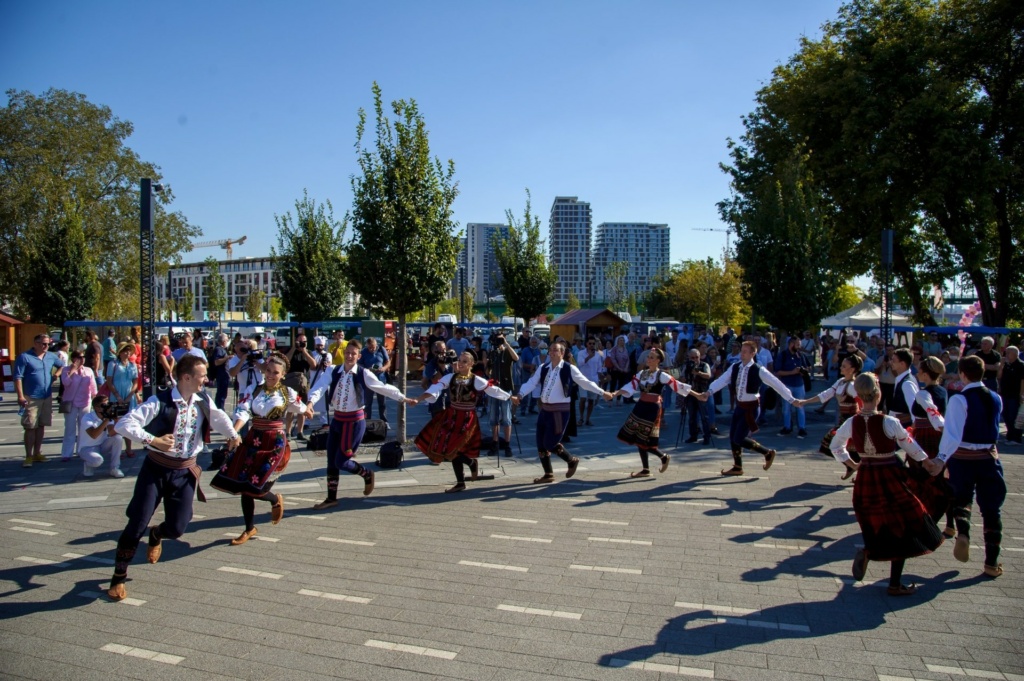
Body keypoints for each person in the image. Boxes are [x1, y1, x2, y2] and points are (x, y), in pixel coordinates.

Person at [107, 354, 242, 601]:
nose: (207, 380)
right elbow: (123, 425)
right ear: (187, 377)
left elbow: (219, 417)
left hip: (185, 472)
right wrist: (153, 440)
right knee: (137, 522)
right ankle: (118, 577)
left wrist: (233, 434)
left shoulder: (202, 399)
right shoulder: (159, 402)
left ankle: (157, 534)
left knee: (178, 527)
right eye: (202, 376)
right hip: (156, 469)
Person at [830, 373, 943, 596]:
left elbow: (836, 446)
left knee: (876, 520)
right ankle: (893, 582)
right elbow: (910, 445)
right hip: (890, 474)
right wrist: (927, 462)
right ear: (878, 394)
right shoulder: (889, 422)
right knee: (904, 522)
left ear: (860, 397)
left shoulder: (851, 423)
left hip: (866, 476)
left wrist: (852, 464)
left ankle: (871, 552)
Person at [213, 352, 310, 545]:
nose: (271, 375)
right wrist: (235, 433)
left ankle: (274, 499)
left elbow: (300, 407)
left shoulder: (287, 393)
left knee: (257, 486)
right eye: (268, 371)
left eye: (275, 372)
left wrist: (307, 409)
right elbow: (243, 410)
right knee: (243, 485)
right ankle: (249, 528)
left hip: (274, 443)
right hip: (254, 439)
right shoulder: (253, 390)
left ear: (283, 375)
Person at [306, 340, 414, 509]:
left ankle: (366, 474)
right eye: (347, 352)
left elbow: (382, 387)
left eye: (353, 353)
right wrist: (310, 402)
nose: (349, 356)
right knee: (331, 461)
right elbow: (320, 386)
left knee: (342, 461)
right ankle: (331, 498)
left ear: (359, 356)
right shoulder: (333, 370)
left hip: (354, 422)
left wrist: (403, 398)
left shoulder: (363, 373)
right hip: (337, 421)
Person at [924, 355, 1006, 578]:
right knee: (992, 508)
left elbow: (952, 434)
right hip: (988, 457)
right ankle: (991, 562)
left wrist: (941, 458)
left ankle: (964, 533)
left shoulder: (960, 399)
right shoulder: (996, 398)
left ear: (961, 374)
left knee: (962, 498)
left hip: (963, 457)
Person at [510, 340, 613, 484]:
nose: (551, 352)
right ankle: (548, 474)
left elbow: (585, 382)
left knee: (550, 442)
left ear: (562, 353)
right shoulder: (543, 367)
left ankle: (571, 460)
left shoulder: (568, 368)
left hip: (559, 411)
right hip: (545, 409)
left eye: (555, 350)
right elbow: (532, 382)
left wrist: (602, 392)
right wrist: (520, 394)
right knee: (540, 443)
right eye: (550, 350)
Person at [411, 351, 512, 492]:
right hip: (451, 416)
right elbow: (435, 388)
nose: (460, 363)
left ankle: (467, 469)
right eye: (459, 360)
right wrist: (418, 399)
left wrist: (509, 397)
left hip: (467, 418)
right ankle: (463, 478)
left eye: (464, 361)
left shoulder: (476, 380)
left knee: (455, 449)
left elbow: (493, 390)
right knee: (448, 447)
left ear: (471, 364)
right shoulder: (450, 377)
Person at [700, 340, 797, 476]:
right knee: (733, 436)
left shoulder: (758, 369)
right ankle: (737, 466)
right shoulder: (735, 367)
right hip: (740, 407)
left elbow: (776, 383)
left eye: (745, 351)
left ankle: (767, 453)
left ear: (753, 353)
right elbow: (722, 380)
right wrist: (709, 392)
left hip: (751, 408)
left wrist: (791, 399)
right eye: (742, 351)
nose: (742, 354)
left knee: (739, 438)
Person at [614, 347, 700, 477]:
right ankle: (647, 468)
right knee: (638, 436)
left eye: (652, 357)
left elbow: (677, 385)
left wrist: (697, 395)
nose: (648, 359)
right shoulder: (642, 373)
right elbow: (631, 385)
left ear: (659, 360)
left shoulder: (662, 375)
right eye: (648, 357)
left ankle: (661, 457)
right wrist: (615, 393)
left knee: (643, 437)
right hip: (641, 405)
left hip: (652, 408)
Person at [798, 355, 863, 470]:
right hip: (843, 420)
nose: (841, 368)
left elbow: (862, 403)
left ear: (852, 369)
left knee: (838, 445)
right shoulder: (840, 382)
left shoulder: (853, 386)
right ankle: (853, 467)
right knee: (834, 445)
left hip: (852, 421)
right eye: (841, 365)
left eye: (844, 366)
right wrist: (806, 401)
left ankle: (855, 467)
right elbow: (825, 394)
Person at [14, 333, 66, 467]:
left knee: (42, 425)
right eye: (44, 344)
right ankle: (28, 456)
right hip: (31, 396)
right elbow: (18, 377)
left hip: (46, 395)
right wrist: (20, 396)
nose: (46, 346)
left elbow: (62, 365)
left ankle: (37, 452)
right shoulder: (25, 357)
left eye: (48, 344)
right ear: (35, 343)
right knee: (30, 426)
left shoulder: (50, 356)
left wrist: (56, 375)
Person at [60, 351, 98, 462]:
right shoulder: (65, 370)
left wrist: (95, 398)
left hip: (85, 402)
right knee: (70, 429)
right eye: (79, 357)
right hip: (70, 403)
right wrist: (72, 371)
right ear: (73, 359)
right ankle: (67, 453)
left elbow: (93, 386)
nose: (82, 359)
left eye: (83, 357)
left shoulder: (88, 370)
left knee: (84, 428)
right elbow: (65, 383)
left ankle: (81, 451)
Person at [106, 341, 141, 459]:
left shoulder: (132, 365)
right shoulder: (113, 364)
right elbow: (109, 381)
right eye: (125, 351)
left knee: (129, 422)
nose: (127, 353)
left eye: (129, 350)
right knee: (117, 422)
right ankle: (117, 449)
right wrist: (117, 396)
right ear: (119, 353)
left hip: (128, 395)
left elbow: (135, 381)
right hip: (116, 394)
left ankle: (129, 448)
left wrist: (131, 394)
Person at [486, 333, 519, 456]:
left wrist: (506, 344)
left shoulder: (507, 352)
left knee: (506, 417)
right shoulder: (493, 353)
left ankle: (507, 444)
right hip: (494, 388)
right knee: (493, 417)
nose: (499, 342)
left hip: (505, 388)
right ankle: (494, 443)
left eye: (500, 339)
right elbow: (487, 369)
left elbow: (516, 358)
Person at [79, 394, 124, 478]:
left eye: (108, 404)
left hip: (102, 445)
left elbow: (111, 433)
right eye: (104, 405)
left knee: (118, 438)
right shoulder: (87, 418)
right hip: (87, 448)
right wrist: (106, 420)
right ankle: (88, 463)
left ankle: (114, 468)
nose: (107, 407)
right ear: (97, 408)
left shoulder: (107, 416)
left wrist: (117, 422)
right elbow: (94, 435)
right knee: (97, 461)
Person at [775, 336, 810, 439]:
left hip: (799, 384)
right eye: (797, 345)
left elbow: (808, 366)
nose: (799, 347)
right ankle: (787, 427)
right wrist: (792, 372)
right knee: (786, 408)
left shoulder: (800, 355)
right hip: (787, 385)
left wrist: (804, 371)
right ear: (791, 344)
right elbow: (778, 371)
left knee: (800, 407)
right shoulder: (783, 355)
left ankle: (802, 428)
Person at [284, 333, 314, 441]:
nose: (302, 343)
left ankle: (300, 432)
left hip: (303, 384)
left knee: (302, 408)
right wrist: (293, 348)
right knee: (290, 409)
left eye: (304, 342)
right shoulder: (290, 350)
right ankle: (287, 432)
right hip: (290, 384)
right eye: (300, 341)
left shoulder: (308, 352)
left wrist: (304, 351)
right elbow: (285, 362)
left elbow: (314, 365)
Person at [682, 349, 712, 444]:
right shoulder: (686, 365)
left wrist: (698, 373)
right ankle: (693, 435)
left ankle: (707, 436)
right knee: (692, 417)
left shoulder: (704, 365)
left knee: (704, 416)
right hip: (691, 394)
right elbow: (682, 377)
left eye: (697, 357)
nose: (695, 359)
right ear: (689, 357)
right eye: (692, 357)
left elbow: (708, 375)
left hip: (702, 393)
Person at [359, 337, 392, 423]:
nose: (371, 349)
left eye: (373, 347)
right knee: (368, 403)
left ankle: (384, 421)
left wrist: (384, 368)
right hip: (369, 379)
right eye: (369, 347)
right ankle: (367, 421)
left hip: (380, 379)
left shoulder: (381, 349)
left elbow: (388, 362)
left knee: (382, 402)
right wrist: (367, 369)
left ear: (376, 345)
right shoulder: (363, 352)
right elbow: (359, 364)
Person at [886, 348, 918, 427]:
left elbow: (913, 409)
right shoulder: (902, 379)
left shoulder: (907, 383)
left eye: (894, 361)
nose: (891, 363)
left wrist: (912, 430)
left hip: (904, 427)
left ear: (902, 364)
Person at [997, 346, 1023, 444]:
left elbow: (1022, 381)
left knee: (1014, 416)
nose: (1006, 355)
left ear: (1015, 354)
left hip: (1015, 394)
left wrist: (1021, 394)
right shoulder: (1006, 365)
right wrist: (1001, 365)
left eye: (1009, 353)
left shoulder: (1021, 365)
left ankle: (1016, 438)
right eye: (1006, 353)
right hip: (1005, 393)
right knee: (1006, 415)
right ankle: (1009, 436)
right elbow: (999, 376)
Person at [576, 338, 604, 427]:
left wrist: (601, 378)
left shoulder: (598, 355)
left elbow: (599, 368)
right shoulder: (581, 353)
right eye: (590, 343)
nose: (591, 345)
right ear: (586, 344)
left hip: (594, 380)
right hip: (583, 379)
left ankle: (588, 419)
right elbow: (580, 363)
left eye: (593, 343)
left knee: (591, 401)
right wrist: (589, 357)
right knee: (583, 399)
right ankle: (581, 418)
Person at [517, 337, 542, 416]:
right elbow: (522, 363)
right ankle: (523, 409)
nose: (534, 344)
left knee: (535, 391)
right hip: (526, 372)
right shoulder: (525, 350)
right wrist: (531, 366)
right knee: (525, 391)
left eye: (535, 342)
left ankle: (531, 408)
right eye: (533, 342)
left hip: (536, 373)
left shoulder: (539, 350)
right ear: (530, 343)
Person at [210, 333, 232, 410]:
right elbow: (217, 362)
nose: (227, 342)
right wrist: (227, 357)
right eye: (226, 340)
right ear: (223, 341)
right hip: (221, 375)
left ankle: (219, 408)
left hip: (224, 375)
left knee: (222, 394)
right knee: (221, 394)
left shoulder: (222, 349)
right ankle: (220, 409)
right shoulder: (219, 349)